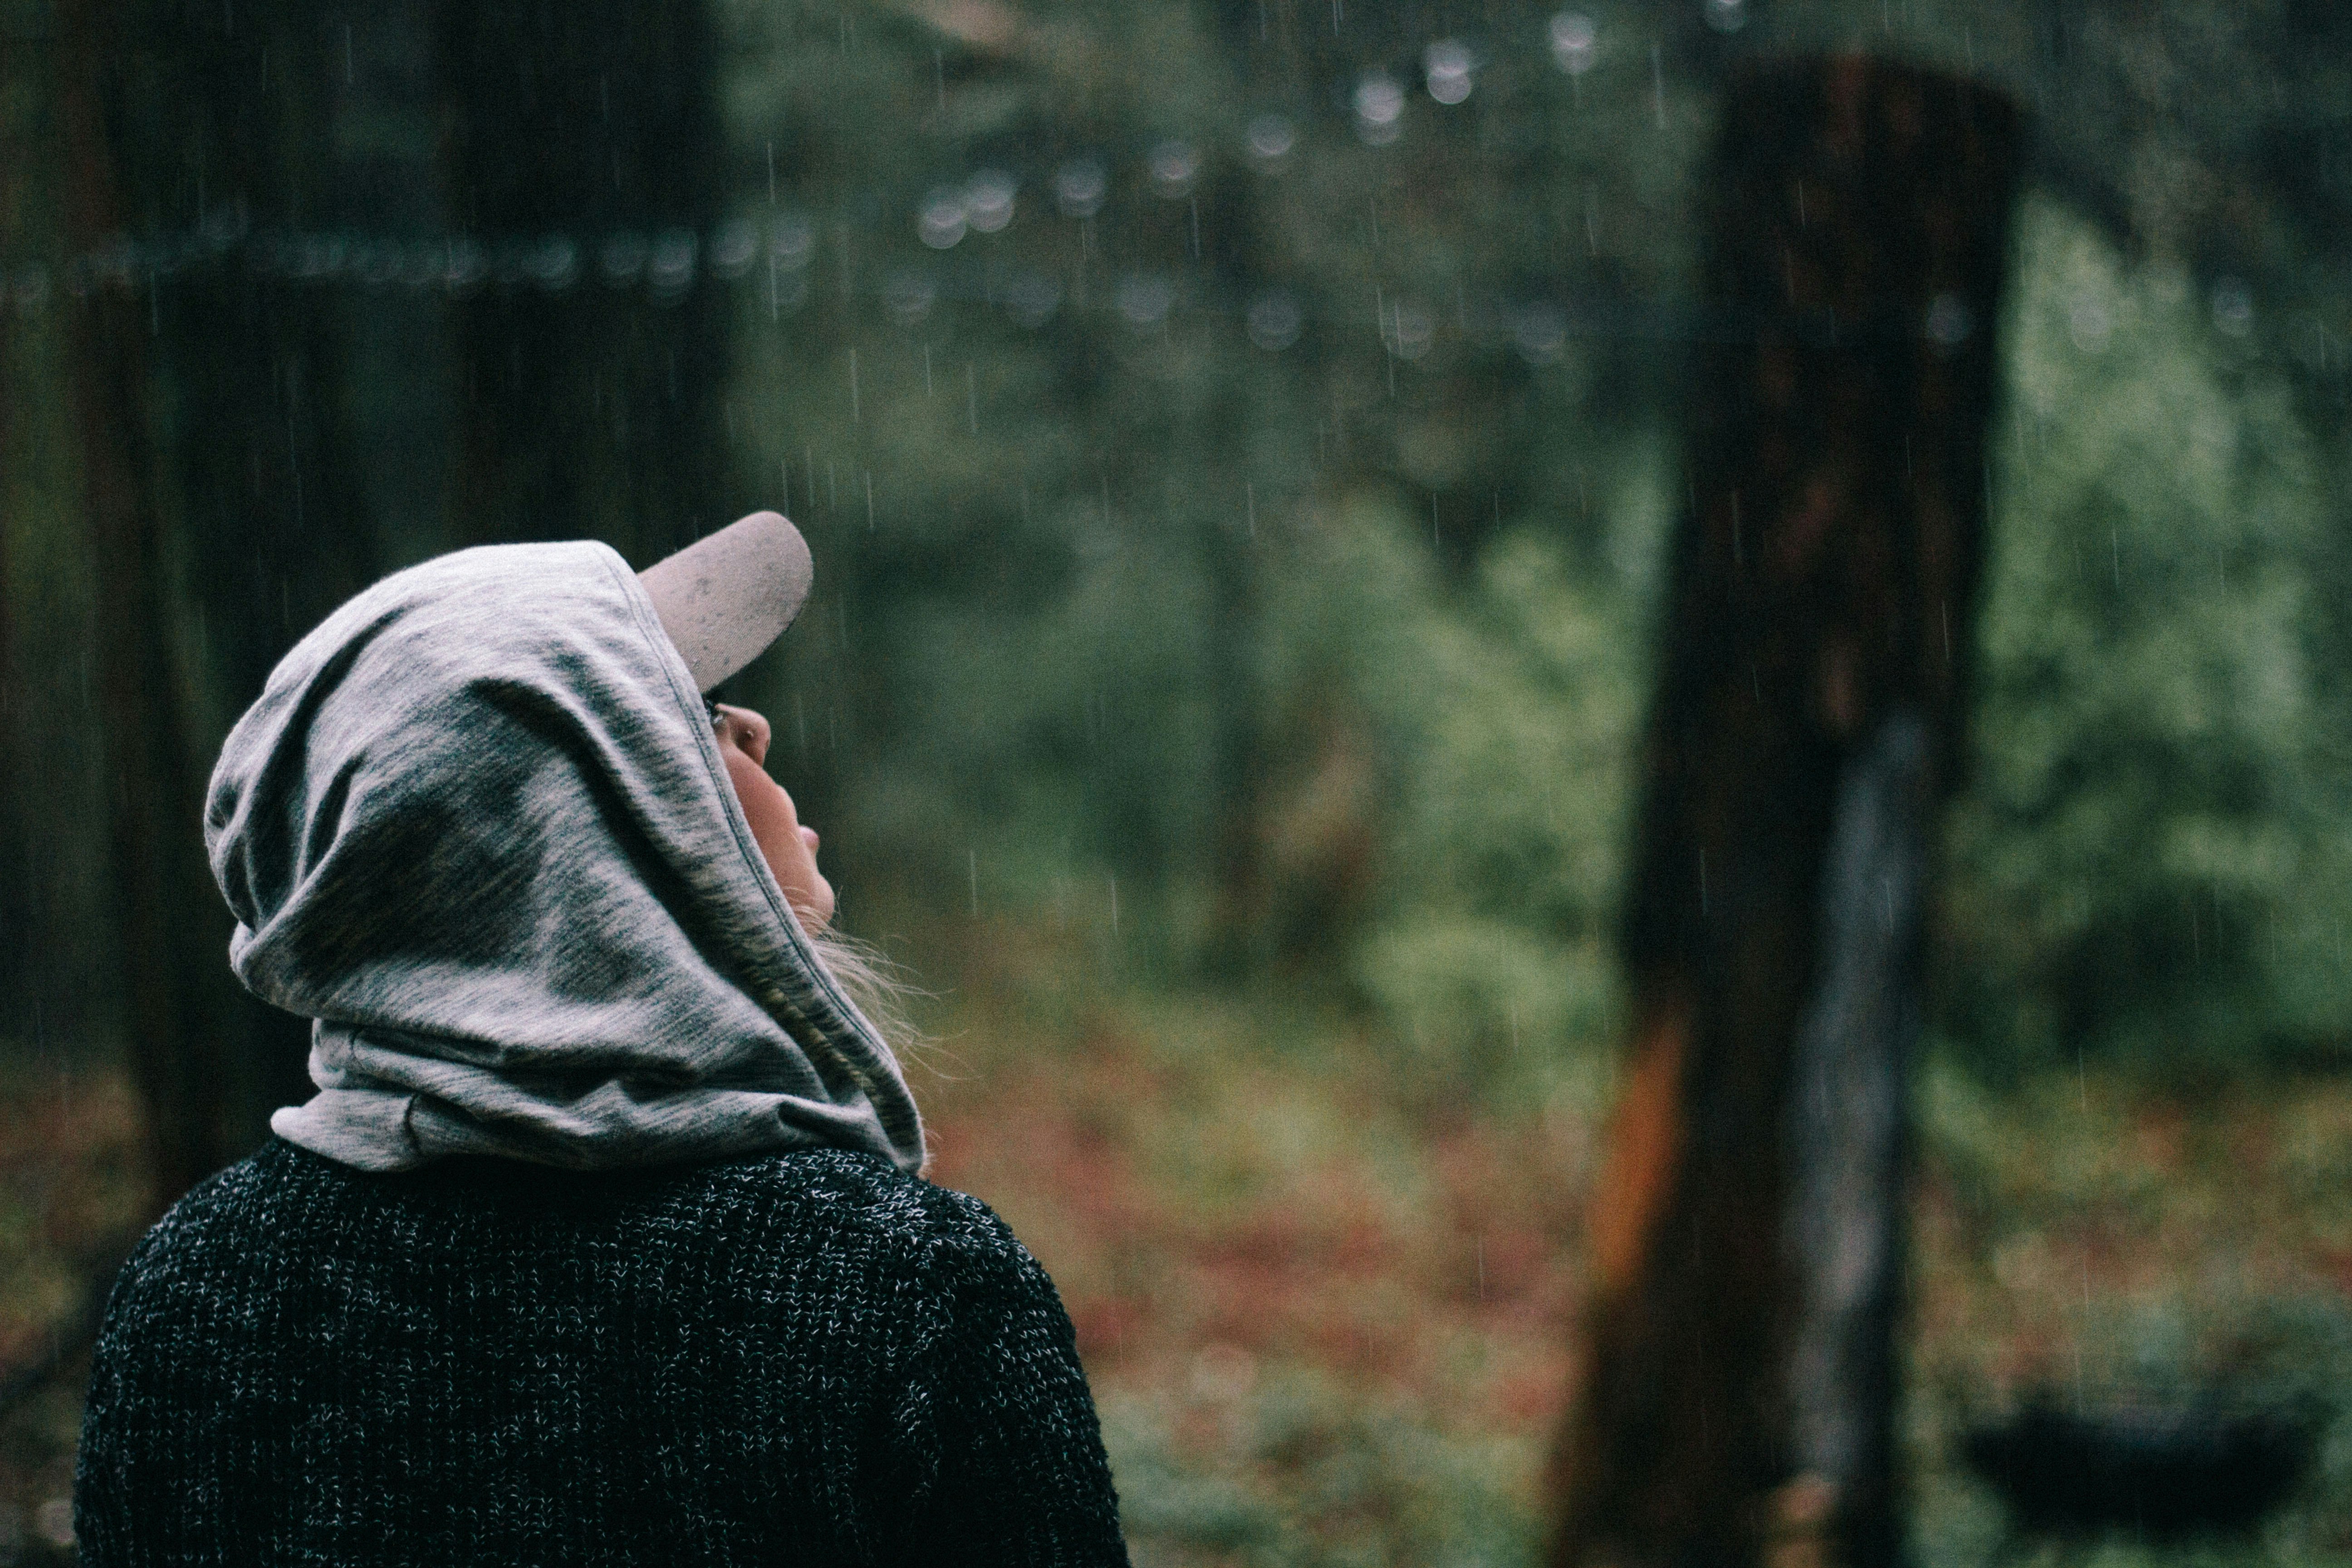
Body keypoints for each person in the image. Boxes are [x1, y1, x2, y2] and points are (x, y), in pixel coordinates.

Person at [72, 514, 1131, 1565]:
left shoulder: (196, 1287)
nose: (754, 729)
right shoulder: (908, 1291)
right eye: (695, 715)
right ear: (596, 832)